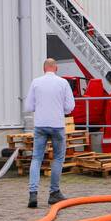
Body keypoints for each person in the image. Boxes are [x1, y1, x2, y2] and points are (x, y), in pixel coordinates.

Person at [24, 58, 76, 208]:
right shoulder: (63, 83)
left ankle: (33, 193)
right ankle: (54, 193)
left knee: (36, 158)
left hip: (40, 125)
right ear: (56, 68)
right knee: (58, 158)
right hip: (57, 125)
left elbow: (28, 106)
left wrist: (40, 108)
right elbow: (70, 106)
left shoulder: (36, 82)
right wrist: (60, 110)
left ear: (43, 68)